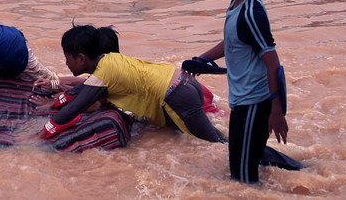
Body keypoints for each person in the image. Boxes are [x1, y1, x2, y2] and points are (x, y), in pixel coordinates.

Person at [186, 0, 290, 184]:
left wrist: (276, 113)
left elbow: (272, 63)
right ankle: (301, 169)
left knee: (243, 178)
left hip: (256, 102)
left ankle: (301, 175)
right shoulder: (237, 3)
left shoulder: (251, 14)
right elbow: (232, 43)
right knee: (243, 158)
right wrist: (202, 59)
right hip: (244, 100)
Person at [36, 24, 224, 142]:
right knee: (194, 139)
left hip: (177, 94)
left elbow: (74, 107)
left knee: (214, 144)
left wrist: (41, 134)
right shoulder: (110, 62)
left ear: (81, 58)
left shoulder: (105, 72)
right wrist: (54, 93)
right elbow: (82, 88)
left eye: (67, 58)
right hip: (182, 83)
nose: (66, 63)